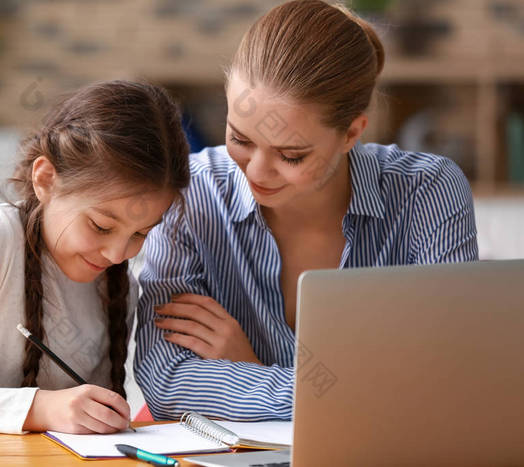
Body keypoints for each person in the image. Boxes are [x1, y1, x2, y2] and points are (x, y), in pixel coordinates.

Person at [135, 0, 478, 421]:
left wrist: (249, 371)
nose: (257, 172)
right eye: (240, 139)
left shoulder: (427, 191)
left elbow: (446, 378)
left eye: (291, 155)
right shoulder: (192, 194)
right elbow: (166, 380)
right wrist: (329, 396)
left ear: (351, 132)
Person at [0, 80, 190, 434]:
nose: (118, 253)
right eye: (101, 226)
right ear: (45, 179)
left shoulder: (118, 287)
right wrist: (41, 407)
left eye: (141, 234)